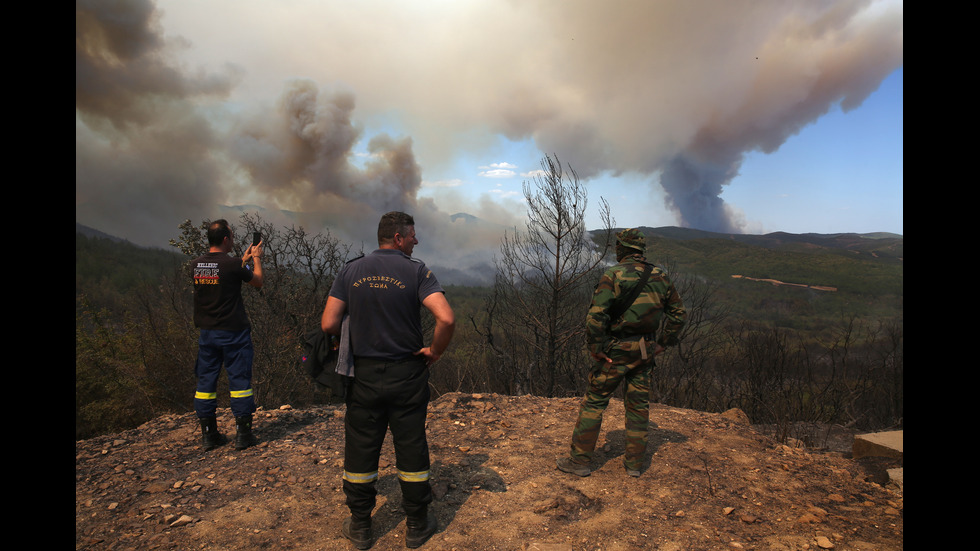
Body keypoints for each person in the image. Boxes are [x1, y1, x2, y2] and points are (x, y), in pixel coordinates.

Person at [321, 211, 455, 550]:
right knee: (410, 446)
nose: (416, 240)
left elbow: (328, 324)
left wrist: (359, 329)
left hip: (363, 374)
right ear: (398, 238)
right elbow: (446, 318)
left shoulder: (351, 270)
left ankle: (361, 527)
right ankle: (418, 525)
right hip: (406, 374)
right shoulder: (416, 271)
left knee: (361, 447)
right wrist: (435, 351)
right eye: (412, 235)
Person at [557, 228, 685, 478]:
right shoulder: (661, 276)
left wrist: (596, 348)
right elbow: (678, 314)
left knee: (594, 402)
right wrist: (663, 343)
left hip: (615, 351)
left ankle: (579, 461)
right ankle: (634, 465)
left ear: (622, 249)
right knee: (638, 406)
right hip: (645, 350)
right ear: (641, 250)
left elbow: (596, 316)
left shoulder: (613, 275)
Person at [191, 219, 264, 451]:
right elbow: (258, 282)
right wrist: (256, 258)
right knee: (240, 382)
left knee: (205, 383)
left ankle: (209, 435)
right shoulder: (232, 265)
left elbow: (219, 277)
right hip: (234, 334)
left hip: (207, 334)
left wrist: (240, 261)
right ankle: (243, 435)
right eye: (231, 236)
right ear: (225, 239)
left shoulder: (195, 264)